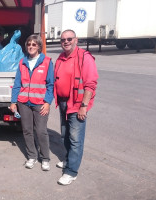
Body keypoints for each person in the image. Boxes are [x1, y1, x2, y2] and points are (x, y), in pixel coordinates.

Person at [54, 29, 98, 185]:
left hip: (77, 104)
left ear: (76, 40)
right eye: (63, 40)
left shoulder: (85, 57)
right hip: (63, 102)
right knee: (65, 135)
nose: (65, 42)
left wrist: (84, 106)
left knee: (75, 139)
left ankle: (71, 172)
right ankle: (67, 160)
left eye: (69, 39)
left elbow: (90, 84)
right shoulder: (61, 57)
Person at [9, 34, 54, 170]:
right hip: (24, 103)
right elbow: (17, 84)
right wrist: (13, 101)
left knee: (41, 131)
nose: (31, 47)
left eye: (34, 44)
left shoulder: (46, 62)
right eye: (29, 44)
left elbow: (51, 85)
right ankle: (32, 156)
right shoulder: (22, 62)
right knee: (27, 131)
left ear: (39, 46)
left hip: (40, 103)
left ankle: (45, 158)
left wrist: (47, 102)